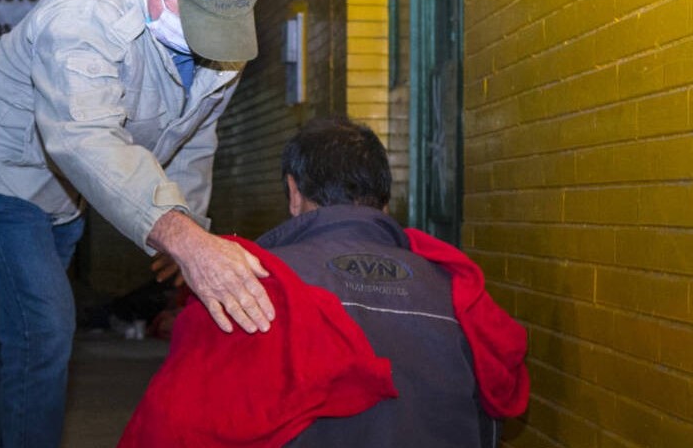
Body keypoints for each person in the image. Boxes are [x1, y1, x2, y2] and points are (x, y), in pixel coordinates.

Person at [0, 0, 274, 447]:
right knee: (48, 320)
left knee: (28, 324)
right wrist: (182, 236)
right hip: (1, 159)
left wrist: (186, 218)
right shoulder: (82, 16)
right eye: (195, 19)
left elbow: (196, 138)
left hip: (68, 186)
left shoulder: (223, 27)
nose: (210, 42)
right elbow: (84, 138)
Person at [121, 117, 529, 447]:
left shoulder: (246, 286)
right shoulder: (455, 290)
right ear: (384, 201)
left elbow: (171, 427)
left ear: (294, 194)